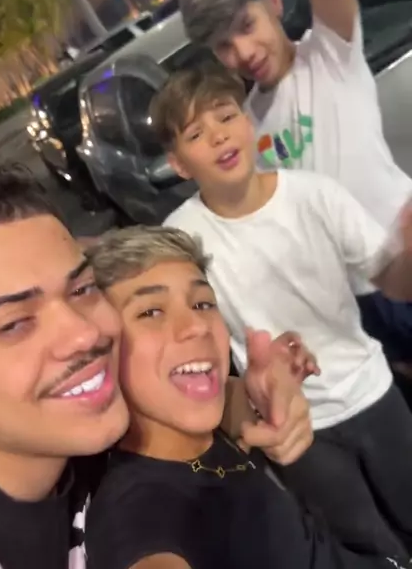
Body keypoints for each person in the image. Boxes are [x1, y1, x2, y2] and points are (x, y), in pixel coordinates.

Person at [0, 156, 314, 568]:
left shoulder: (68, 431)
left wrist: (249, 399)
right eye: (13, 324)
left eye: (82, 290)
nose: (85, 333)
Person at [153, 64, 412, 558]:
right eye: (196, 133)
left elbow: (392, 280)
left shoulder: (315, 194)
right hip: (295, 429)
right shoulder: (180, 242)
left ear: (248, 122)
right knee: (368, 551)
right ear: (179, 164)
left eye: (226, 116)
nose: (218, 135)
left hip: (372, 392)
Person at [86, 225, 409, 569]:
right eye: (151, 311)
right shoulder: (135, 512)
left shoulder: (204, 424)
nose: (197, 325)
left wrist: (275, 385)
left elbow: (239, 400)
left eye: (202, 303)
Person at [179, 0, 412, 370]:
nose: (243, 52)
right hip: (355, 300)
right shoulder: (244, 128)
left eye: (246, 25)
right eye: (223, 45)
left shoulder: (330, 54)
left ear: (273, 1)